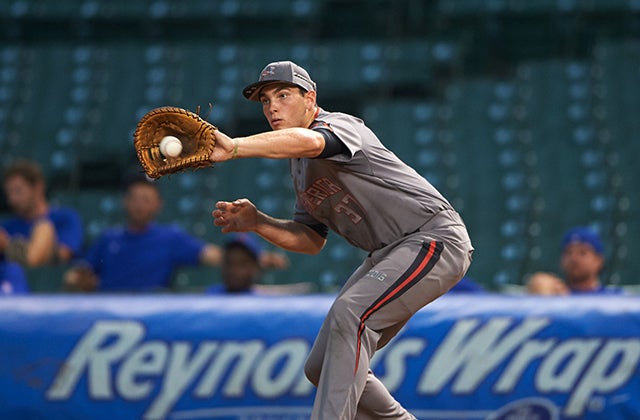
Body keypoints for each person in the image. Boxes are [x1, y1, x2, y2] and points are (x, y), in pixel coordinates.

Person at [208, 61, 474, 419]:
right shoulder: (299, 167)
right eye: (265, 100)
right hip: (389, 253)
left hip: (432, 237)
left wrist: (236, 146)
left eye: (283, 95)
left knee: (351, 314)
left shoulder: (339, 124)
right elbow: (310, 239)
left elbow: (314, 141)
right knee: (320, 366)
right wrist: (258, 222)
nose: (272, 107)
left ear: (310, 98)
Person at [64, 177, 288, 292]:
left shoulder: (169, 238)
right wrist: (77, 280)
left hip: (151, 314)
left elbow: (212, 255)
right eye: (135, 199)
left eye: (146, 200)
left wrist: (261, 259)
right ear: (125, 202)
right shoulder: (108, 239)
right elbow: (79, 274)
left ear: (158, 205)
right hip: (108, 311)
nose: (140, 206)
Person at [0, 159, 83, 267]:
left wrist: (8, 246)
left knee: (44, 228)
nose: (12, 200)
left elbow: (63, 255)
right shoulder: (7, 226)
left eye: (18, 191)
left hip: (51, 279)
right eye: (9, 194)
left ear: (38, 187)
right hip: (13, 281)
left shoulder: (66, 218)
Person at [527, 226, 623, 295]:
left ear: (599, 261)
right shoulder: (555, 294)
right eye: (568, 253)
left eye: (583, 253)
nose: (574, 258)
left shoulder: (613, 298)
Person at [206, 232, 311, 295]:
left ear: (256, 267)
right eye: (229, 262)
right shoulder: (210, 296)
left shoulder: (265, 301)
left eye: (242, 263)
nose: (234, 269)